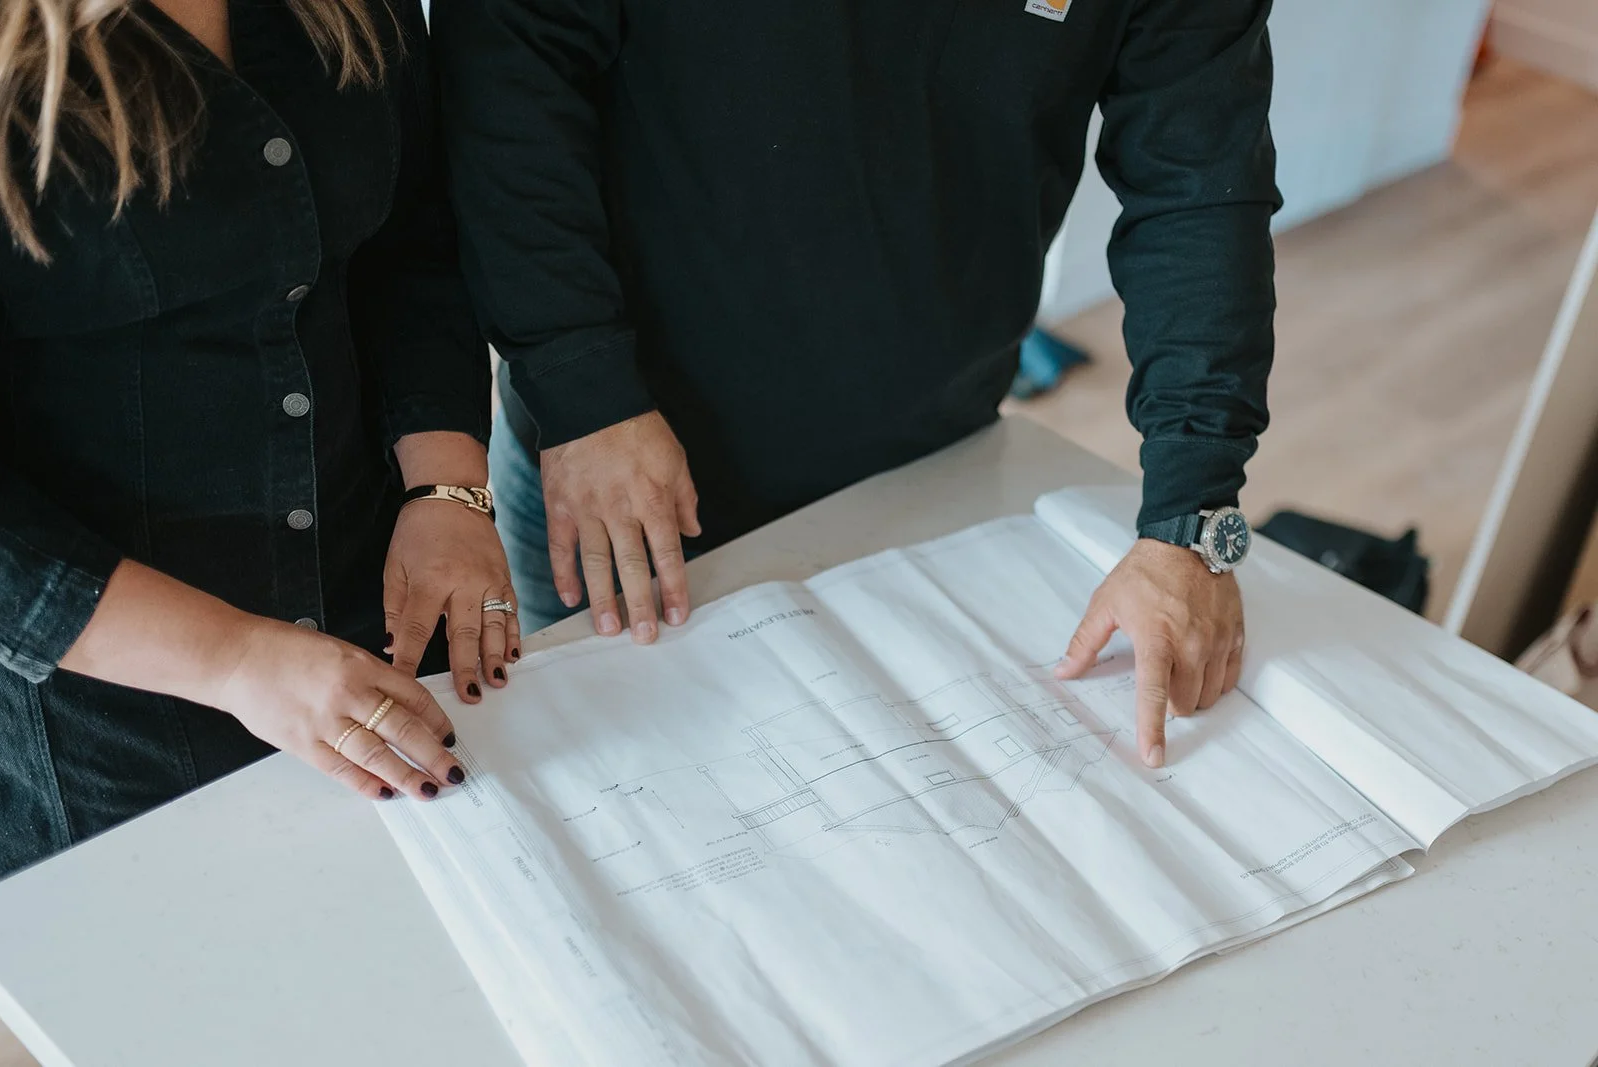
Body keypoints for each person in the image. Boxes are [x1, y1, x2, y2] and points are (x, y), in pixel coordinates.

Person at [438, 0, 1280, 770]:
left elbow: (1198, 184)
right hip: (622, 468)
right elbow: (509, 73)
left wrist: (1192, 516)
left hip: (927, 466)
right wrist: (580, 384)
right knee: (625, 790)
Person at [0, 0, 513, 878]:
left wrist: (447, 489)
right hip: (121, 715)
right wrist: (234, 660)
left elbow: (409, 242)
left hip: (382, 607)